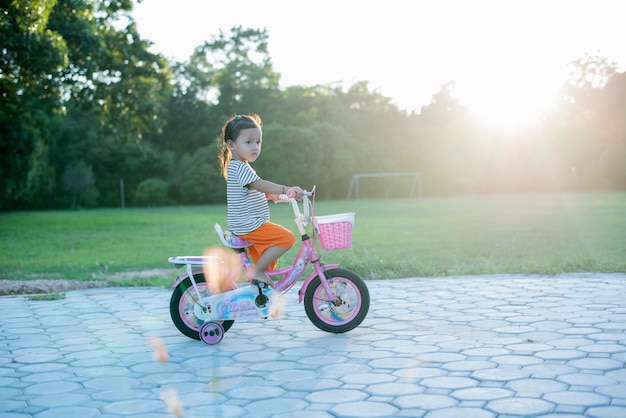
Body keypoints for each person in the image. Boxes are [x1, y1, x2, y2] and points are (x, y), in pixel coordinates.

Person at [217, 114, 304, 287]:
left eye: (258, 142)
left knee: (268, 259)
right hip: (248, 224)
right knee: (286, 238)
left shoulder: (240, 166)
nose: (255, 146)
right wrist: (287, 189)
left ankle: (258, 285)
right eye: (248, 142)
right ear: (231, 145)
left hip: (247, 223)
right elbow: (260, 185)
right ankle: (256, 272)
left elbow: (253, 192)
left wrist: (277, 196)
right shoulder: (240, 166)